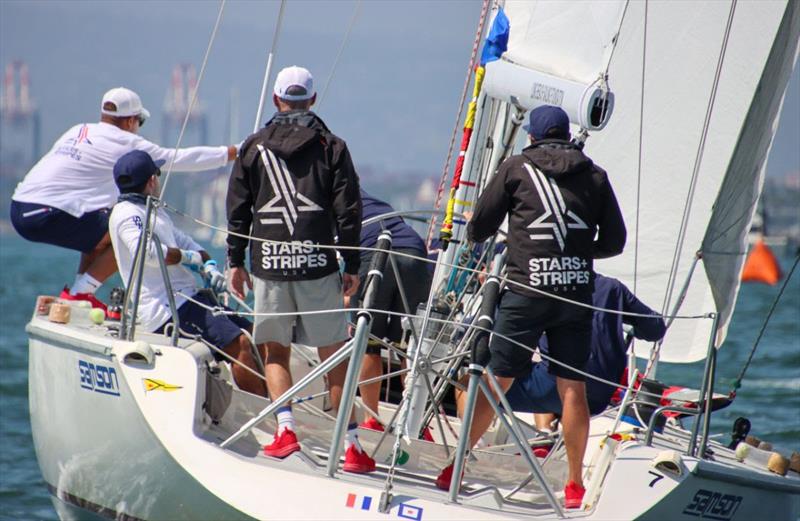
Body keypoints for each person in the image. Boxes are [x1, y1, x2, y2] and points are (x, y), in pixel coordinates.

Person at [436, 105, 626, 509]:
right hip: (573, 293)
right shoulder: (594, 175)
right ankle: (574, 485)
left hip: (526, 290)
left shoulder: (516, 168)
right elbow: (615, 241)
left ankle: (458, 464)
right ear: (567, 134)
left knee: (497, 378)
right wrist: (575, 252)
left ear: (533, 136)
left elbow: (480, 227)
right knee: (572, 387)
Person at [226, 66, 372, 473]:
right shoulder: (332, 147)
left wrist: (236, 261)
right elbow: (349, 210)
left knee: (275, 349)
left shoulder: (253, 147)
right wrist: (352, 263)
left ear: (276, 100)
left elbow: (238, 210)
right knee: (333, 355)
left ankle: (285, 430)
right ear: (313, 100)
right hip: (317, 265)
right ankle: (353, 446)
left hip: (269, 265)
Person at [10, 87, 238, 314]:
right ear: (130, 121)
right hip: (47, 212)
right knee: (123, 232)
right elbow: (179, 158)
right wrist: (232, 153)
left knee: (103, 225)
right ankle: (80, 293)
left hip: (19, 209)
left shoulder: (78, 130)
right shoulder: (127, 143)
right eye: (140, 122)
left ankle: (80, 296)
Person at [108, 150, 266, 397]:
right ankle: (267, 414)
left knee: (258, 335)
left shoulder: (154, 211)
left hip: (189, 298)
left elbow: (186, 241)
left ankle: (278, 401)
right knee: (240, 343)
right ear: (151, 180)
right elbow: (148, 253)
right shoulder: (126, 214)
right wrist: (189, 258)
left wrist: (208, 264)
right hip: (166, 310)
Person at [505, 273, 667, 442]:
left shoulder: (541, 283)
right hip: (598, 397)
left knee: (484, 383)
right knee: (555, 368)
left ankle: (543, 431)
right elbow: (655, 329)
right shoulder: (611, 288)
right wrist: (625, 323)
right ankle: (547, 433)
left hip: (558, 388)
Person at [349, 189, 432, 432]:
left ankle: (371, 417)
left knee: (368, 344)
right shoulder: (376, 199)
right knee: (408, 348)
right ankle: (415, 423)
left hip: (376, 254)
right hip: (415, 252)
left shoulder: (327, 201)